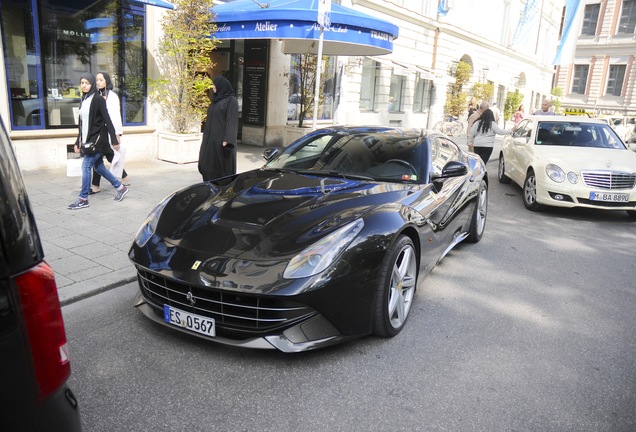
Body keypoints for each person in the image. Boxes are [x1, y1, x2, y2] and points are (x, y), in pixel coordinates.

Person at [67, 73, 128, 210]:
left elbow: (108, 120)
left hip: (98, 141)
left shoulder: (98, 99)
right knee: (99, 167)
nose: (84, 85)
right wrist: (77, 141)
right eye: (82, 83)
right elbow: (81, 124)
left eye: (87, 83)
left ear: (92, 84)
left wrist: (114, 139)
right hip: (88, 141)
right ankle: (120, 187)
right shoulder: (84, 100)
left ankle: (83, 198)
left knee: (86, 166)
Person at [90, 71, 129, 194]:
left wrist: (116, 135)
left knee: (99, 156)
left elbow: (115, 117)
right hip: (98, 132)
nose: (98, 82)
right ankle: (124, 176)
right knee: (106, 156)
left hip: (108, 132)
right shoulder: (96, 95)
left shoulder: (112, 96)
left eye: (100, 80)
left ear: (106, 81)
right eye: (97, 80)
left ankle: (95, 185)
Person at [198, 76, 239, 181]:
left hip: (222, 143)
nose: (213, 87)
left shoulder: (231, 101)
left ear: (221, 86)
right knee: (206, 167)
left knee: (222, 171)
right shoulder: (215, 101)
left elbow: (232, 121)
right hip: (209, 141)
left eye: (214, 85)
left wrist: (228, 140)